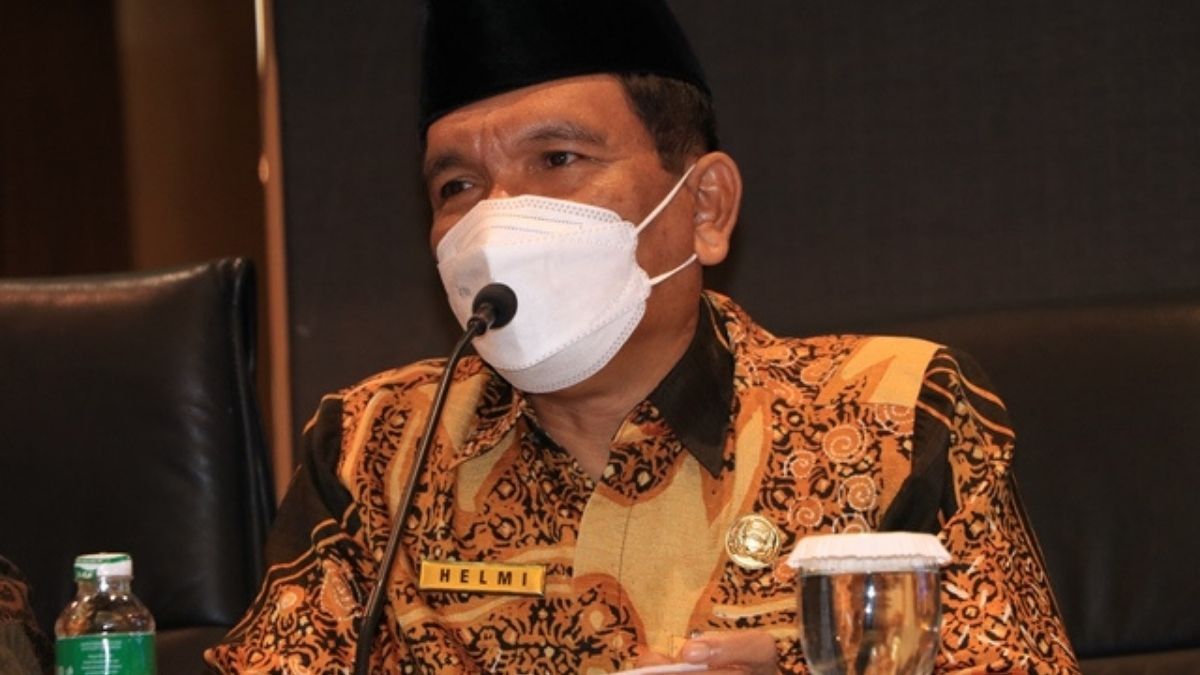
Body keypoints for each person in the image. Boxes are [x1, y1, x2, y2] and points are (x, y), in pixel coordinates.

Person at [207, 1, 1080, 672]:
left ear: (705, 208)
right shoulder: (372, 450)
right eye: (457, 186)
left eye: (558, 160)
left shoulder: (894, 415)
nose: (496, 222)